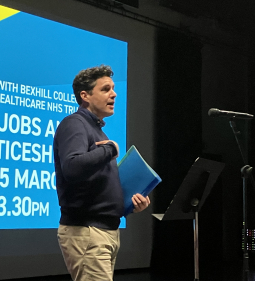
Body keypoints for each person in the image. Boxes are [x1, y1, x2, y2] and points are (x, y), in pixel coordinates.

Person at [53, 65, 150, 281]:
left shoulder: (97, 130)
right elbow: (72, 167)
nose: (114, 94)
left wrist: (130, 203)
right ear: (85, 96)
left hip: (104, 232)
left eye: (113, 88)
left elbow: (96, 185)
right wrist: (110, 149)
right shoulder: (74, 124)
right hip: (87, 231)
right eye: (106, 89)